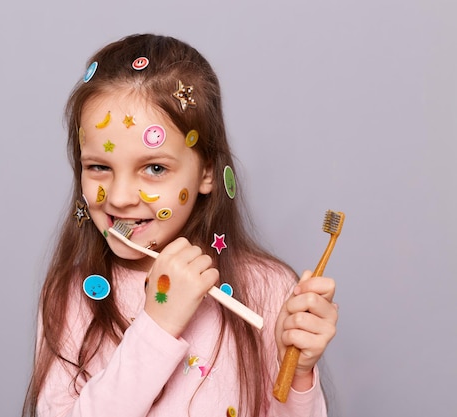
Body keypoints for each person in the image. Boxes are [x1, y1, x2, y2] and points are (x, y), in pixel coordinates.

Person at [23, 34, 338, 417]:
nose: (120, 197)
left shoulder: (268, 289)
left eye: (154, 168)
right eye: (100, 167)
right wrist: (157, 324)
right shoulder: (69, 298)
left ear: (206, 171)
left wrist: (299, 373)